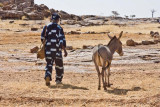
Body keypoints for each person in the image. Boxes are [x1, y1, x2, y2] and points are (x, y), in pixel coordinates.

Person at [41, 13, 68, 86]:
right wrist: (64, 50)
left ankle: (47, 76)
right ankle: (58, 80)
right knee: (59, 65)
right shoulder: (59, 28)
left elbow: (42, 38)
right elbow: (62, 40)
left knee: (49, 64)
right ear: (58, 20)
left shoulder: (46, 27)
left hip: (48, 49)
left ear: (52, 19)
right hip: (57, 50)